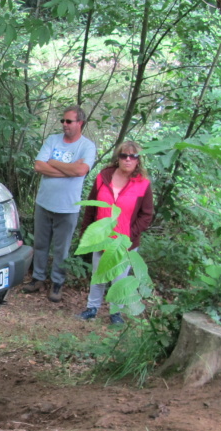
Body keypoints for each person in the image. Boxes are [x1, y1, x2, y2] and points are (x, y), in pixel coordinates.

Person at [23, 106, 97, 303]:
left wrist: (53, 163)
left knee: (61, 249)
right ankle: (38, 278)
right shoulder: (53, 140)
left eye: (69, 121)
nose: (64, 124)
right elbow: (39, 165)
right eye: (63, 121)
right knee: (40, 244)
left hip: (68, 206)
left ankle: (57, 282)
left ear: (80, 123)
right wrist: (68, 169)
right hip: (44, 203)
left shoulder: (87, 146)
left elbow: (81, 171)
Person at [77, 141, 154, 324]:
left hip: (125, 242)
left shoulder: (143, 184)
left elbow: (146, 215)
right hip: (102, 237)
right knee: (98, 275)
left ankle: (115, 313)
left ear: (138, 160)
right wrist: (85, 233)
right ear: (118, 157)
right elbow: (91, 208)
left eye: (132, 156)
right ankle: (92, 309)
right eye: (124, 155)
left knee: (119, 279)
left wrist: (129, 234)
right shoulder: (103, 177)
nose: (128, 159)